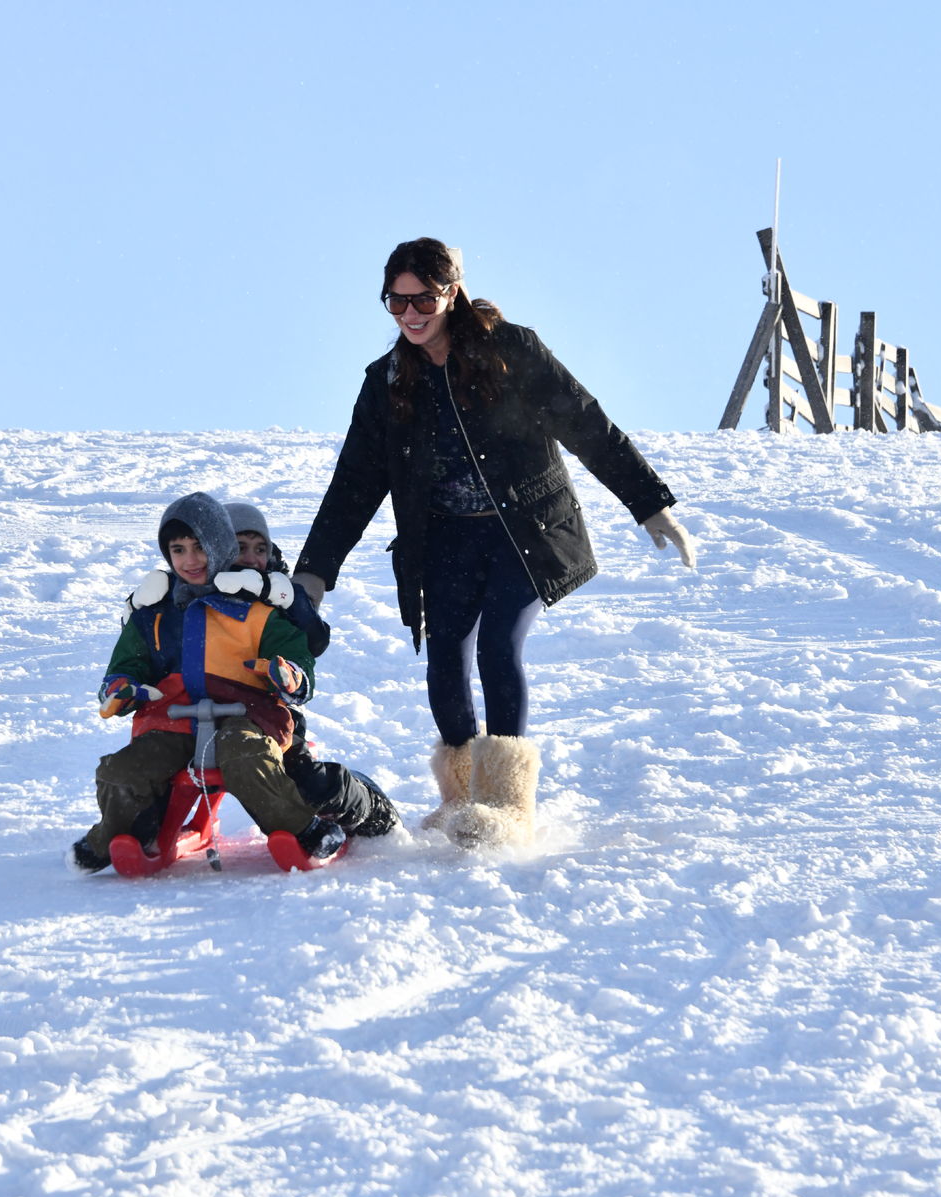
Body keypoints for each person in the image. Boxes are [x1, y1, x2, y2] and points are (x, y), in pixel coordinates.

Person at [293, 238, 696, 848]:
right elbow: (354, 483)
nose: (410, 314)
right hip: (447, 539)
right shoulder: (387, 382)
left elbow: (587, 423)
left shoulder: (512, 351)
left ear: (451, 292)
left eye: (423, 298)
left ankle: (508, 805)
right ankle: (462, 800)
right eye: (395, 302)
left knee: (498, 646)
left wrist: (651, 504)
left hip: (525, 531)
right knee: (446, 659)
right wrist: (315, 572)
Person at [73, 492, 343, 871]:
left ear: (219, 547)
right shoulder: (155, 612)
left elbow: (297, 653)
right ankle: (124, 831)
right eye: (178, 549)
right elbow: (128, 662)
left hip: (249, 714)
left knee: (245, 754)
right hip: (175, 717)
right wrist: (121, 687)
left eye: (200, 547)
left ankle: (302, 828)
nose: (190, 560)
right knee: (122, 771)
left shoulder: (257, 606)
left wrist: (289, 674)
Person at [119, 499, 398, 839]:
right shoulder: (182, 591)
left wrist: (280, 596)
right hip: (189, 720)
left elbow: (313, 639)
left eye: (261, 548)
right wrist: (135, 607)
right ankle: (144, 830)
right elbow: (147, 643)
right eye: (240, 547)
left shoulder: (273, 592)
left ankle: (366, 806)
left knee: (310, 785)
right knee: (155, 770)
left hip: (260, 718)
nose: (252, 558)